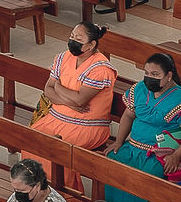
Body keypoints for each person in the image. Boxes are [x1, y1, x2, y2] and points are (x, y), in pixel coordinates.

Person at [111, 49, 181, 202]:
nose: (149, 78)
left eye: (155, 74)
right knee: (113, 165)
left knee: (146, 179)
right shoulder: (139, 89)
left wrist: (176, 156)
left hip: (159, 154)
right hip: (133, 147)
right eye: (146, 73)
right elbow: (128, 115)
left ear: (169, 76)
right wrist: (119, 142)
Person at [38, 21, 121, 152]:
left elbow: (79, 100)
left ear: (91, 44)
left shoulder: (100, 69)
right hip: (54, 119)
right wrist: (69, 104)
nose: (72, 41)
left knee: (55, 151)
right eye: (72, 36)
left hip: (85, 128)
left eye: (78, 39)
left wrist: (58, 86)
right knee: (32, 143)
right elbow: (48, 89)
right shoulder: (63, 57)